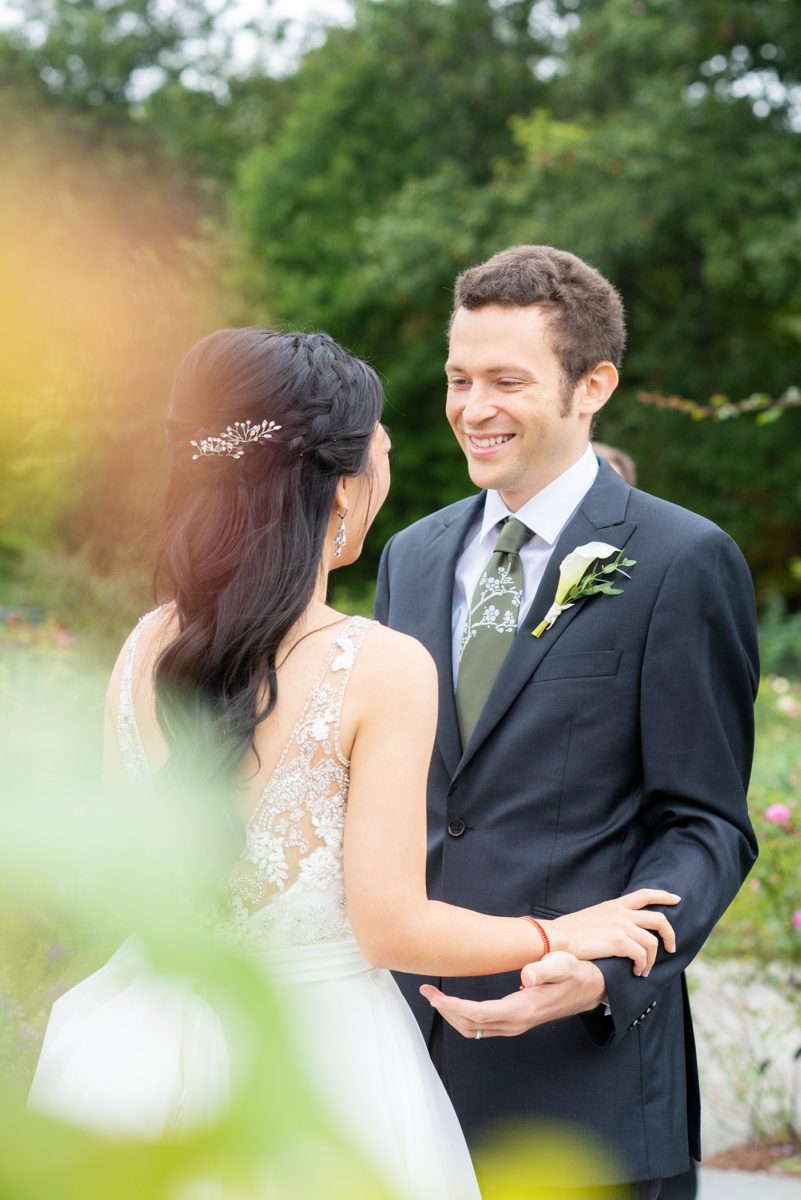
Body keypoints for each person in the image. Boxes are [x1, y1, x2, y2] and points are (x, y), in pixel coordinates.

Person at [28, 328, 679, 1199]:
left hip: (134, 1046)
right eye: (381, 450)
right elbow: (391, 928)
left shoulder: (146, 645)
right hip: (320, 1058)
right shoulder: (376, 664)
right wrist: (562, 931)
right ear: (340, 488)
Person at [374, 246, 759, 1198]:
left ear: (594, 385)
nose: (471, 408)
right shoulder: (410, 558)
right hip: (401, 1077)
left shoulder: (681, 560)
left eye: (507, 380)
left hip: (585, 1087)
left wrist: (603, 978)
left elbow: (702, 826)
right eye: (459, 379)